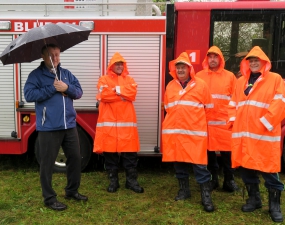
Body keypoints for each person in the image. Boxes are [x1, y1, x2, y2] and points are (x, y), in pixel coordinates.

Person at [24, 43, 88, 211]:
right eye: (51, 55)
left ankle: (72, 191)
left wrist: (66, 88)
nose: (55, 58)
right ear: (43, 57)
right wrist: (52, 88)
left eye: (57, 54)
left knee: (75, 158)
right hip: (49, 127)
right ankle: (49, 198)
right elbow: (29, 95)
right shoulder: (36, 75)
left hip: (69, 125)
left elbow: (79, 92)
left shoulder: (66, 74)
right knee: (47, 163)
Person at [229, 46, 285, 223]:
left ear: (264, 62)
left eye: (256, 60)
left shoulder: (275, 79)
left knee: (269, 171)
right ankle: (254, 199)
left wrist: (266, 123)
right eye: (250, 60)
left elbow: (281, 102)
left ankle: (275, 206)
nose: (253, 63)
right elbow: (233, 103)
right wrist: (232, 120)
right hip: (243, 136)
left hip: (264, 136)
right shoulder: (240, 82)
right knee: (246, 169)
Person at [162, 52, 215, 212]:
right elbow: (168, 108)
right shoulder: (170, 86)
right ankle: (184, 190)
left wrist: (196, 124)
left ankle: (206, 196)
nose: (180, 70)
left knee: (200, 167)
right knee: (179, 164)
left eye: (183, 67)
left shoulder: (201, 85)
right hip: (176, 134)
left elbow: (209, 110)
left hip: (195, 135)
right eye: (178, 68)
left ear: (189, 69)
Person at [93, 52, 144, 194]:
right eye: (117, 64)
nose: (119, 66)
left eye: (121, 64)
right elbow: (103, 95)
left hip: (127, 126)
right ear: (111, 66)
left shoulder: (130, 79)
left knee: (130, 156)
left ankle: (131, 182)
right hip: (109, 127)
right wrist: (122, 96)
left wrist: (116, 90)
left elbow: (132, 94)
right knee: (110, 156)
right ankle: (113, 182)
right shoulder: (103, 79)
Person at [196, 46, 239, 192]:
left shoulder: (230, 76)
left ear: (220, 59)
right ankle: (213, 180)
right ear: (206, 59)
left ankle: (229, 180)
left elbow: (236, 98)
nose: (213, 60)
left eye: (215, 57)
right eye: (210, 57)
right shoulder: (199, 76)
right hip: (206, 122)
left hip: (225, 123)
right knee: (209, 153)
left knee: (228, 153)